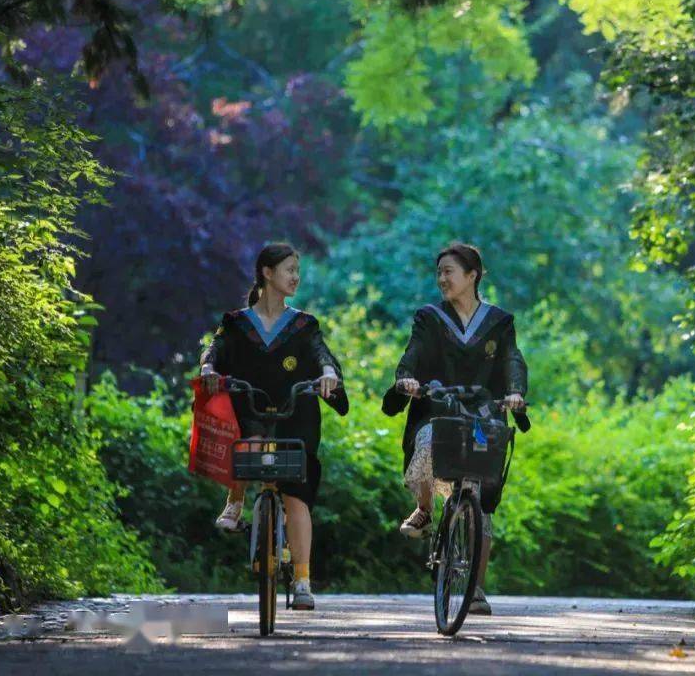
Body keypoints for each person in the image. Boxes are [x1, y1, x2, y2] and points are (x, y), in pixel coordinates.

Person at [382, 242, 529, 616]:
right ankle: (425, 508)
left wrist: (514, 393)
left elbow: (512, 360)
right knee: (427, 440)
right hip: (438, 409)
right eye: (439, 272)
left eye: (449, 271)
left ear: (472, 275)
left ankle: (476, 589)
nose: (442, 279)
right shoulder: (429, 318)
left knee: (480, 503)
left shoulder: (499, 322)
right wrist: (407, 380)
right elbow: (413, 354)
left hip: (482, 415)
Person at [199, 242, 347, 611]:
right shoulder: (236, 322)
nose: (296, 277)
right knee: (245, 439)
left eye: (298, 271)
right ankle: (235, 498)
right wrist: (208, 370)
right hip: (249, 407)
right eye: (289, 270)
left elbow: (320, 354)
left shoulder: (303, 324)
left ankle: (302, 580)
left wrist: (328, 374)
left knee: (296, 495)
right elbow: (214, 350)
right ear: (267, 273)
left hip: (295, 412)